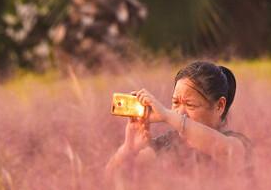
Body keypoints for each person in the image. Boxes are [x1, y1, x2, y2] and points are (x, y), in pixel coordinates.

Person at [105, 61, 252, 176]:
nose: (180, 112)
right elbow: (111, 179)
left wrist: (167, 115)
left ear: (219, 106)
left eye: (190, 104)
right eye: (175, 103)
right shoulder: (167, 144)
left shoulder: (236, 142)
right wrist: (128, 149)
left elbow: (228, 152)